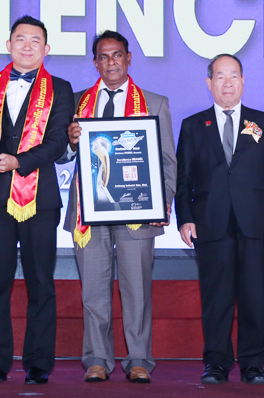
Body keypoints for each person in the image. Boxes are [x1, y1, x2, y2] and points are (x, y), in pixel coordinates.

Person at [57, 30, 176, 384]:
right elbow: (60, 156)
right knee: (93, 290)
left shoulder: (154, 103)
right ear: (95, 62)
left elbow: (167, 161)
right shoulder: (77, 102)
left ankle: (139, 359)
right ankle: (97, 359)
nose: (111, 62)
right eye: (103, 57)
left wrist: (162, 201)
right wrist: (70, 143)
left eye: (117, 55)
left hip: (138, 212)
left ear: (128, 58)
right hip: (89, 213)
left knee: (137, 290)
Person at [0, 15, 73, 385]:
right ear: (9, 45)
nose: (27, 46)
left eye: (35, 40)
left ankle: (39, 363)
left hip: (40, 199)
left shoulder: (60, 88)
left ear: (46, 49)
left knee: (40, 282)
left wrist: (19, 162)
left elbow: (57, 143)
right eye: (20, 39)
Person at [175, 54, 264, 385]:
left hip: (254, 223)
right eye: (220, 76)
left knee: (254, 295)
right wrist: (185, 218)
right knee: (216, 297)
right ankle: (217, 362)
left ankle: (253, 363)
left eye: (234, 76)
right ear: (209, 82)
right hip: (210, 223)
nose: (227, 83)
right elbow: (183, 178)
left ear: (243, 81)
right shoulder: (193, 125)